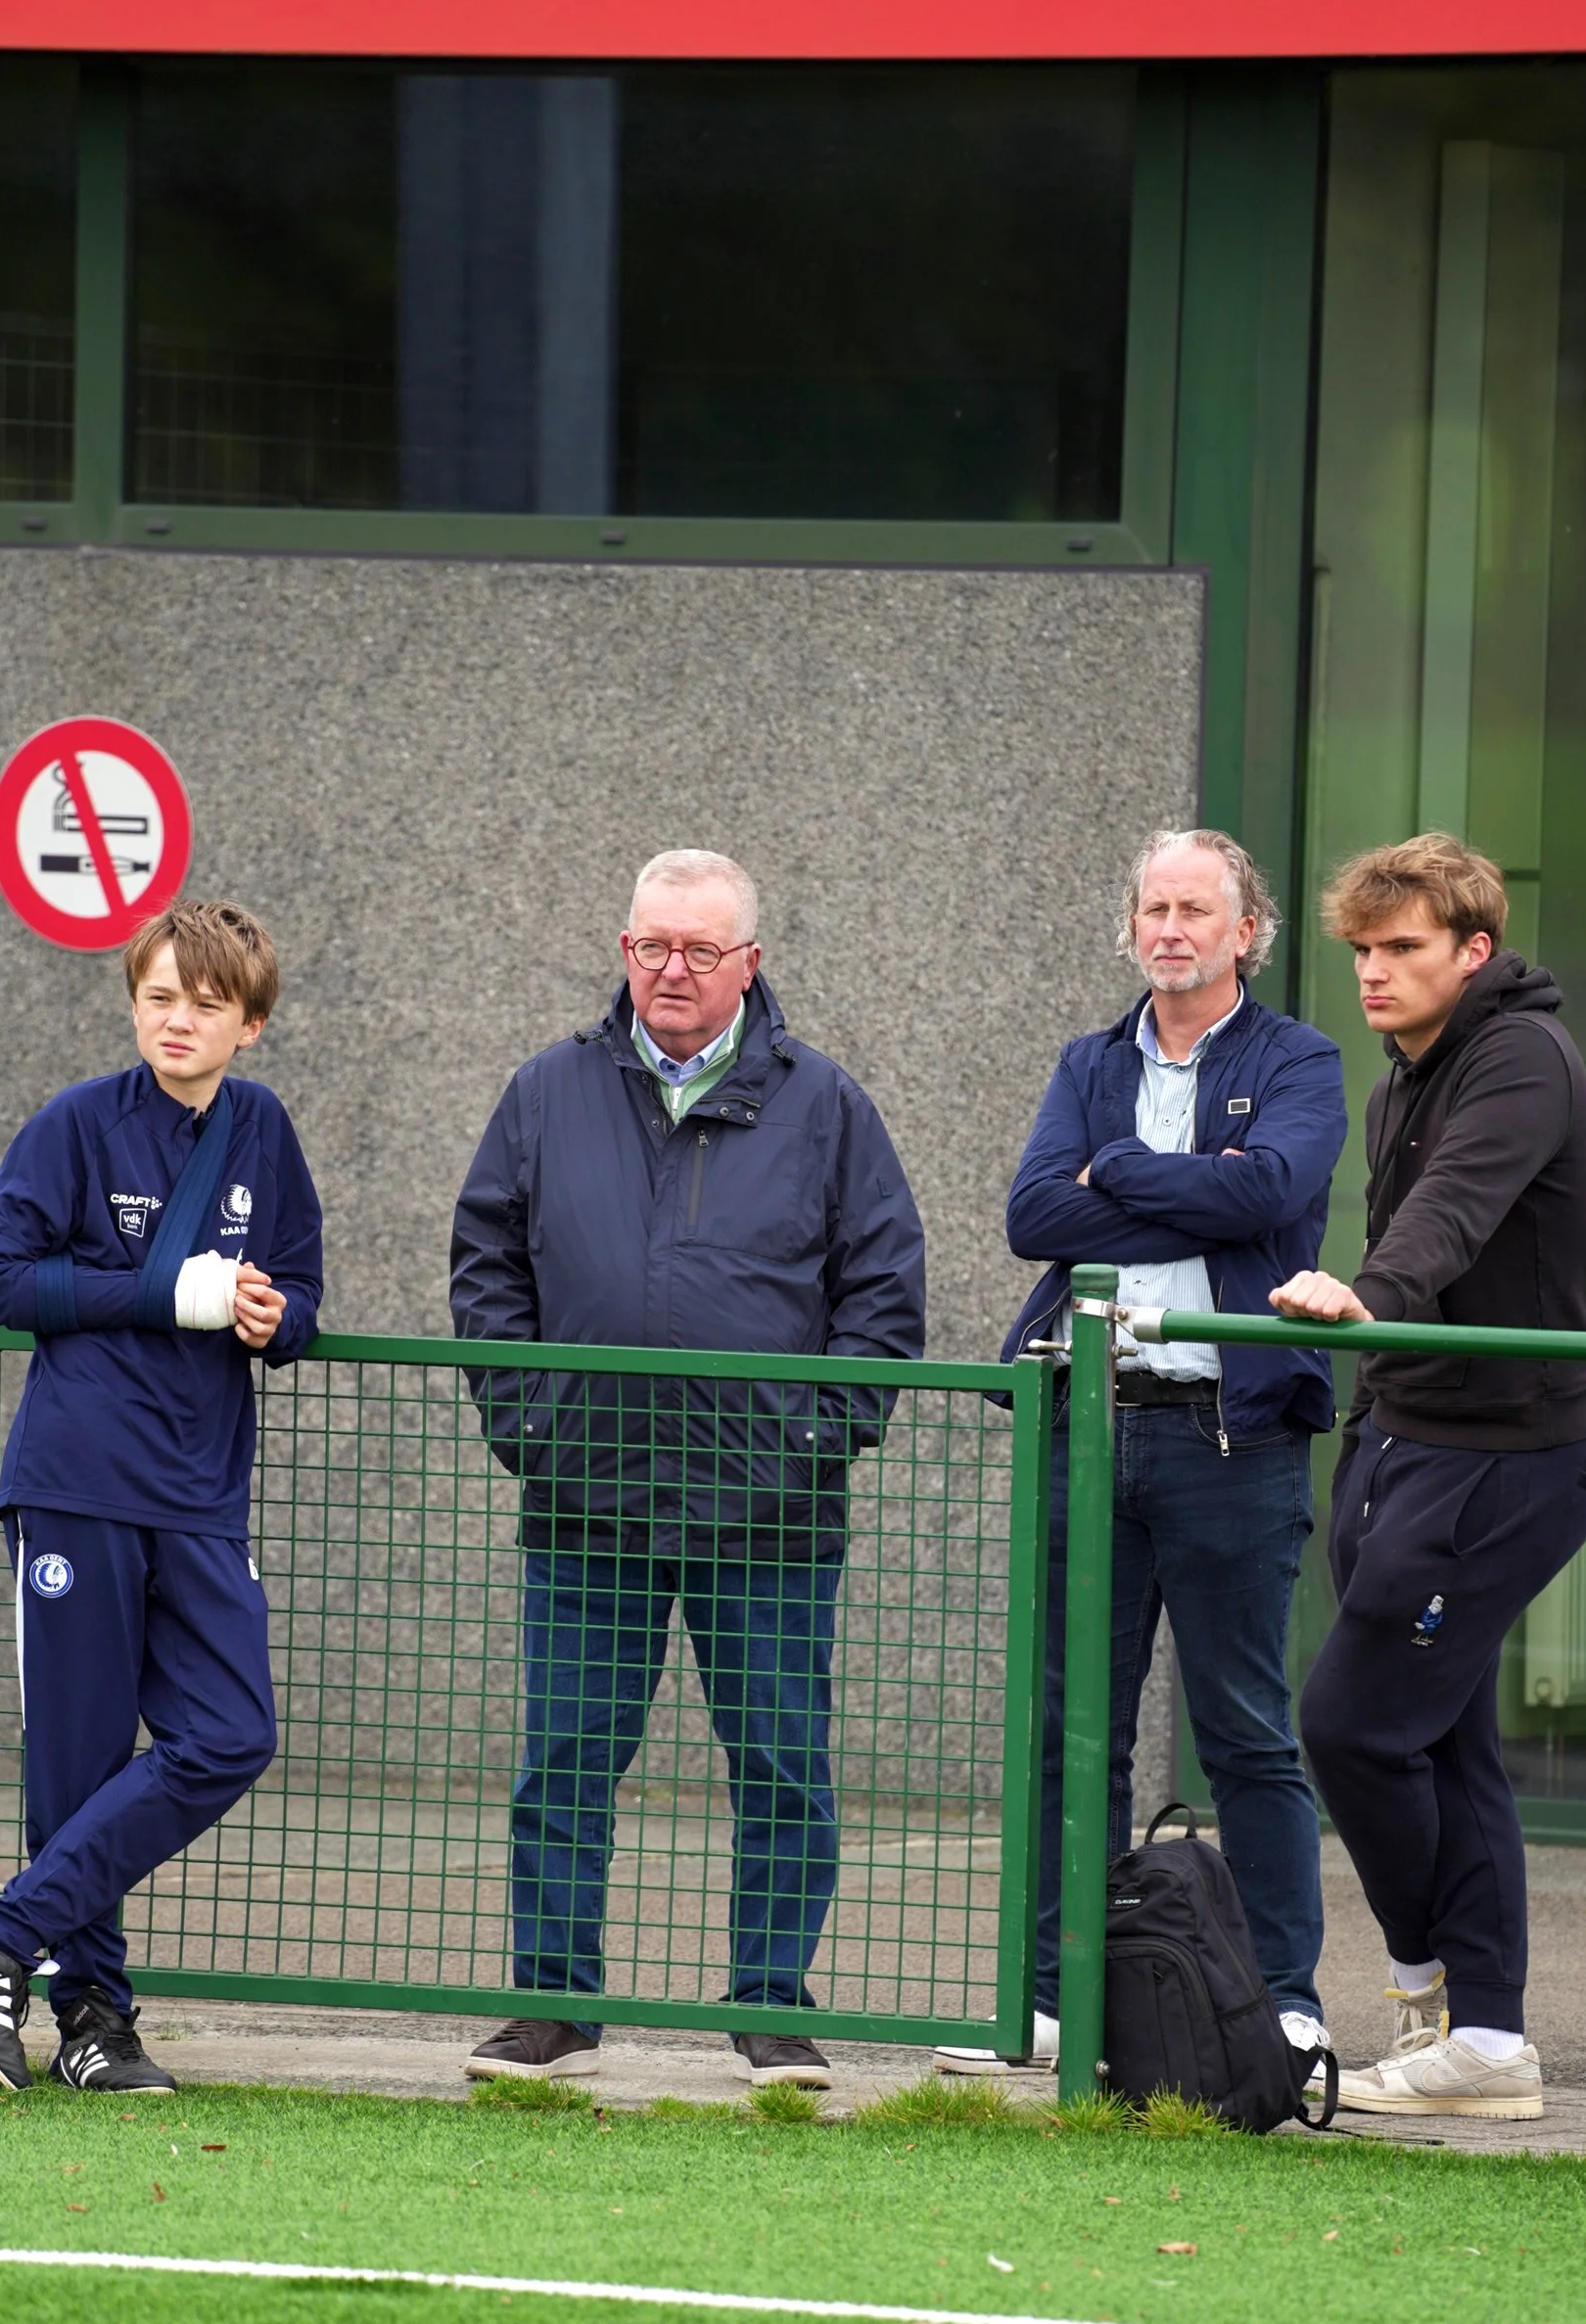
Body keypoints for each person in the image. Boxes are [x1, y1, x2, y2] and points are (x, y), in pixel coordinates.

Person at [448, 848, 925, 2089]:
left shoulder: (827, 1106)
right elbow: (485, 1265)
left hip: (769, 1506)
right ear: (624, 951)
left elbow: (882, 1289)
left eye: (699, 950)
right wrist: (528, 1423)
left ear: (749, 965)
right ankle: (550, 2005)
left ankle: (771, 2006)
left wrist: (823, 1437)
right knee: (565, 1760)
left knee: (778, 1763)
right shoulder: (546, 1092)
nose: (672, 969)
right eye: (651, 945)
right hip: (587, 1490)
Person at [951, 828, 1346, 2079]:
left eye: (1197, 911)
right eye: (1153, 910)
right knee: (1076, 1732)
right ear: (1131, 927)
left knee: (1244, 1733)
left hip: (1229, 1440)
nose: (1171, 930)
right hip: (1089, 1425)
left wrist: (1114, 1170)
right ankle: (1060, 2001)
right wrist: (1185, 1178)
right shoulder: (1086, 1059)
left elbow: (1270, 1194)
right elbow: (1032, 1216)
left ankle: (1282, 2000)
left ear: (1247, 931)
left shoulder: (1299, 1058)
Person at [0, 900, 324, 2095]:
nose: (179, 1021)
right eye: (160, 998)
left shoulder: (263, 1131)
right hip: (79, 1480)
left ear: (248, 1024)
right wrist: (164, 1298)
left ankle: (0, 1927)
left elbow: (300, 1289)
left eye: (206, 1006)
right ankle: (94, 2021)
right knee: (80, 1762)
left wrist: (273, 1319)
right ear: (133, 1000)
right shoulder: (74, 1125)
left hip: (203, 1491)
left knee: (231, 1732)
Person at [1271, 832, 1586, 2121]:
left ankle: (1429, 1987)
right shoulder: (1400, 1074)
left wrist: (1367, 1293)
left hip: (1507, 1458)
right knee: (1447, 1738)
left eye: (1403, 947)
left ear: (1475, 950)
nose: (1373, 970)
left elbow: (1452, 1214)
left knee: (1354, 1723)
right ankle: (1489, 2043)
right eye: (1360, 949)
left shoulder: (1519, 1054)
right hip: (1404, 1441)